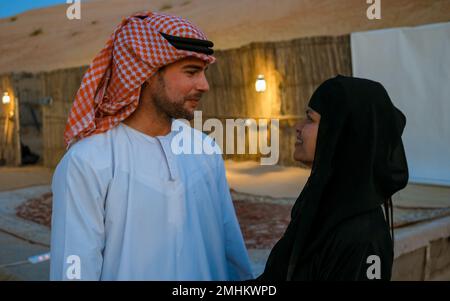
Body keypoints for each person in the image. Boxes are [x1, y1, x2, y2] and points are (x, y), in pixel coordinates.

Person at [50, 11, 253, 281]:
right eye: (191, 72)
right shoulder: (88, 161)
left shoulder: (205, 150)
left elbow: (230, 250)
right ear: (145, 73)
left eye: (204, 72)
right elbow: (74, 268)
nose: (204, 85)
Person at [258, 75, 409, 280]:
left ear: (341, 134)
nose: (298, 127)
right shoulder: (321, 209)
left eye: (310, 119)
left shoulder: (364, 239)